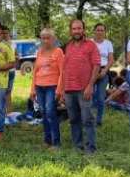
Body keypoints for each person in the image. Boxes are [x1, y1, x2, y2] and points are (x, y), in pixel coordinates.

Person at [63, 20, 100, 154]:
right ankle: (77, 145)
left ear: (83, 30)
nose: (77, 31)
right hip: (69, 89)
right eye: (74, 29)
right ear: (70, 31)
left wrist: (90, 85)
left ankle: (91, 148)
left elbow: (96, 65)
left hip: (84, 89)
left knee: (87, 119)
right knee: (73, 119)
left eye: (79, 28)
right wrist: (62, 89)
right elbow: (65, 68)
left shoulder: (91, 45)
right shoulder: (68, 46)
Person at [30, 28, 65, 150]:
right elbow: (35, 71)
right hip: (39, 86)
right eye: (43, 38)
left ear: (54, 39)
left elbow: (63, 72)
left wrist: (59, 90)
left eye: (48, 37)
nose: (45, 40)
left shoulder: (58, 52)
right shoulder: (39, 52)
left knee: (50, 112)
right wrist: (32, 89)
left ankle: (56, 143)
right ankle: (47, 140)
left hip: (52, 86)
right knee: (44, 113)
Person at [92, 23, 114, 126]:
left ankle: (99, 120)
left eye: (102, 30)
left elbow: (111, 60)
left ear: (105, 32)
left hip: (103, 71)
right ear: (94, 31)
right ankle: (89, 118)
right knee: (89, 96)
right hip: (90, 71)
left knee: (100, 97)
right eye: (98, 30)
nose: (100, 32)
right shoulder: (89, 43)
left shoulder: (108, 43)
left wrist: (104, 71)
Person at [2, 26, 18, 113]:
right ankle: (1, 112)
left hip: (11, 72)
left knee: (8, 92)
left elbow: (17, 55)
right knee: (0, 92)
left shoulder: (13, 44)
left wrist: (16, 58)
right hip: (1, 73)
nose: (4, 35)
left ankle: (9, 112)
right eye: (3, 33)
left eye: (6, 33)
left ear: (9, 34)